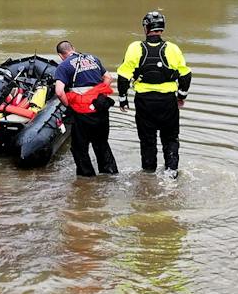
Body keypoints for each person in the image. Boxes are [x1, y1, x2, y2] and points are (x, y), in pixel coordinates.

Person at [116, 10, 192, 175]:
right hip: (168, 102)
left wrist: (123, 100)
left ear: (145, 27)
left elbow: (123, 77)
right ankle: (171, 172)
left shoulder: (134, 48)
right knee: (171, 139)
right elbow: (185, 75)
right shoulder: (172, 49)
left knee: (147, 140)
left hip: (144, 102)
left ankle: (148, 174)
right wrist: (181, 97)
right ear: (162, 28)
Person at [52, 39, 118, 178]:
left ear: (60, 55)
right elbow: (108, 78)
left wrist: (68, 105)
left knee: (79, 147)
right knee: (101, 143)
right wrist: (97, 94)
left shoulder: (64, 66)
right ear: (73, 48)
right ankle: (110, 173)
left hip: (82, 113)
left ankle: (86, 178)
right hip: (100, 109)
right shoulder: (93, 58)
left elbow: (59, 91)